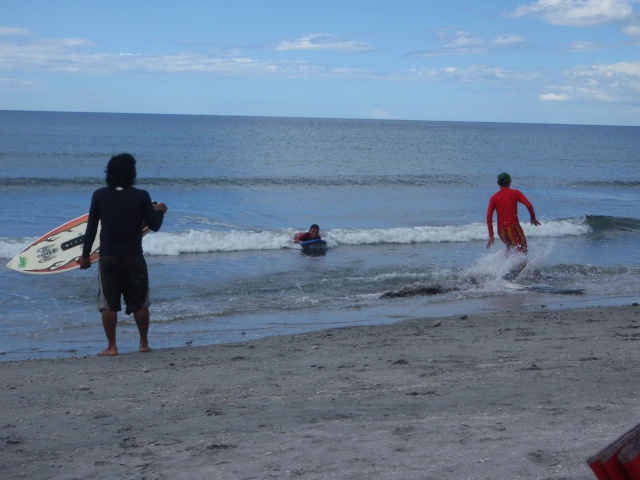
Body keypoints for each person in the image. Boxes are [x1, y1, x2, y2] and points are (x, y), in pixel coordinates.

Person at [78, 153, 168, 356]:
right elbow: (154, 225)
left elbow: (92, 228)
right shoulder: (141, 196)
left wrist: (85, 256)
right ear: (132, 174)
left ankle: (112, 347)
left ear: (109, 173)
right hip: (133, 257)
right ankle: (143, 344)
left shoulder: (99, 195)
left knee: (108, 304)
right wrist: (160, 210)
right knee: (140, 302)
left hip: (108, 257)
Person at [486, 172, 541, 278]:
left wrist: (491, 235)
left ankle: (504, 272)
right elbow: (529, 205)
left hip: (501, 230)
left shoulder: (494, 197)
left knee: (510, 248)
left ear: (498, 183)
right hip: (513, 228)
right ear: (509, 182)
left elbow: (489, 216)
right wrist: (533, 218)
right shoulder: (516, 193)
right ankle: (520, 276)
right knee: (523, 251)